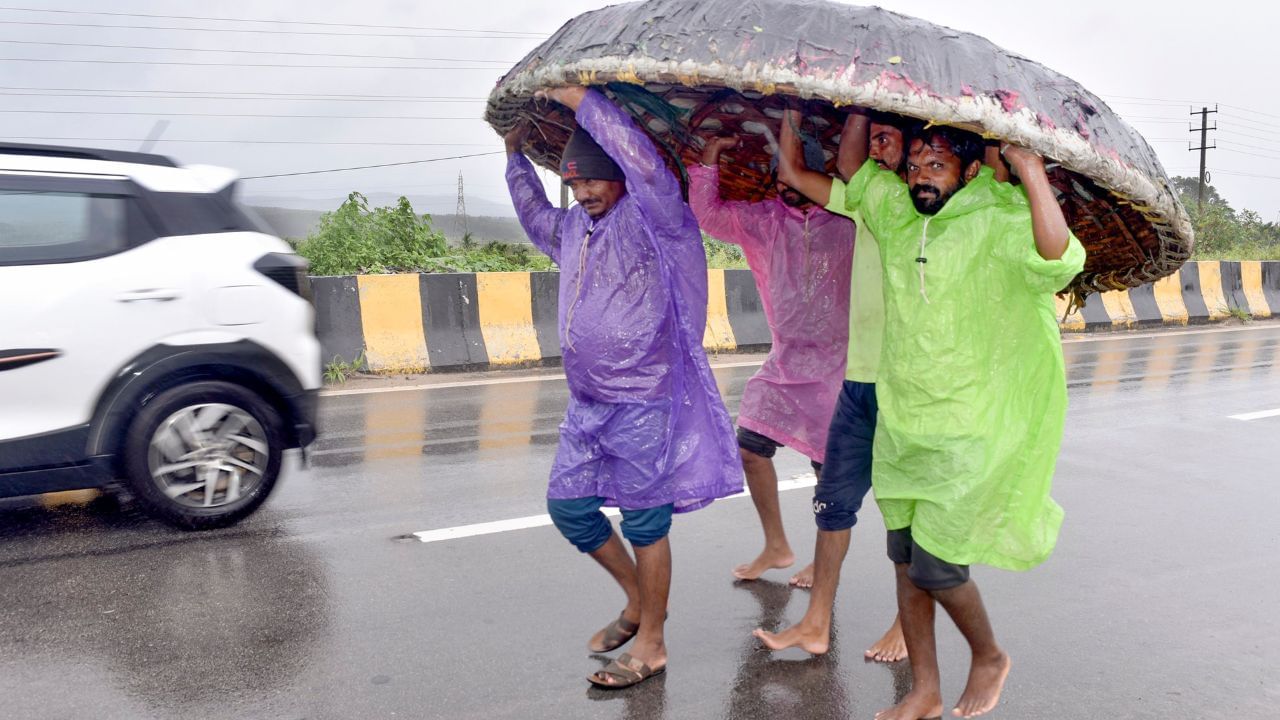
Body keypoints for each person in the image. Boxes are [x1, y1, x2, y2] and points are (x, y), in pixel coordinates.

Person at [777, 107, 1086, 720]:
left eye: (936, 165)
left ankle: (990, 654)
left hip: (968, 429)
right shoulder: (894, 215)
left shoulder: (996, 219)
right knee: (903, 561)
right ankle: (925, 691)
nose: (921, 174)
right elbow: (854, 174)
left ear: (970, 171)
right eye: (916, 164)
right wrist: (860, 110)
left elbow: (1060, 259)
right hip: (902, 423)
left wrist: (1027, 169)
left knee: (937, 565)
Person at [503, 85, 741, 689]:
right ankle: (639, 601)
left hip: (643, 400)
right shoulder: (573, 229)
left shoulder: (653, 217)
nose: (583, 192)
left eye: (592, 181)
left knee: (645, 523)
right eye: (574, 183)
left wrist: (583, 101)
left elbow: (643, 164)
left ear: (621, 179)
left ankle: (654, 643)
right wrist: (513, 160)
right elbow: (534, 214)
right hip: (586, 406)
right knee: (570, 509)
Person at [752, 110, 914, 663]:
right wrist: (817, 113)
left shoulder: (947, 216)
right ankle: (815, 623)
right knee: (834, 504)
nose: (882, 152)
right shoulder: (869, 201)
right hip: (859, 384)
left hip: (913, 391)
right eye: (878, 144)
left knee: (907, 517)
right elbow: (799, 174)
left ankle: (905, 623)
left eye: (894, 143)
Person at [687, 133, 851, 587]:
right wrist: (710, 159)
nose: (785, 185)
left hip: (839, 370)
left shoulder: (851, 221)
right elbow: (709, 214)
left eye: (795, 175)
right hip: (784, 364)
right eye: (780, 176)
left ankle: (824, 561)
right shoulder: (765, 221)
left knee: (829, 476)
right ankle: (776, 545)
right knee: (749, 448)